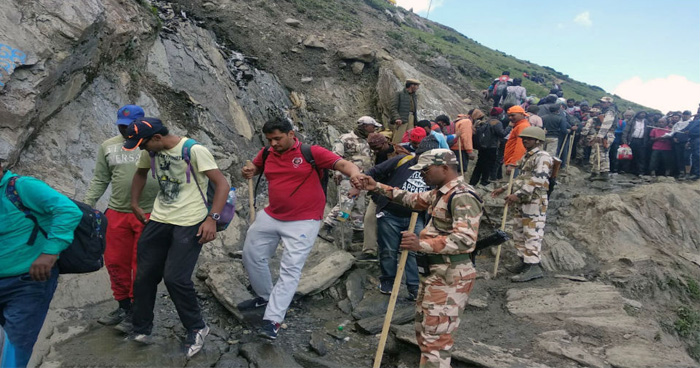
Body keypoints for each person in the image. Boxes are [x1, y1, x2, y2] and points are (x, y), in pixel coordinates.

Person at [353, 149, 482, 368]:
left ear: (445, 168)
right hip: (435, 274)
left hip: (450, 277)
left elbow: (465, 240)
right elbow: (413, 200)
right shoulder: (440, 192)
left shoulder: (462, 196)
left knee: (436, 342)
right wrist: (377, 187)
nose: (422, 175)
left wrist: (420, 244)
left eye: (425, 169)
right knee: (425, 333)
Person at [238, 118, 362, 340]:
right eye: (269, 139)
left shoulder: (310, 152)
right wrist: (250, 169)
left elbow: (342, 164)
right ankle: (265, 296)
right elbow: (257, 166)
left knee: (290, 269)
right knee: (251, 255)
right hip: (272, 214)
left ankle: (273, 319)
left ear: (291, 134)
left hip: (304, 220)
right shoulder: (267, 153)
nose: (273, 143)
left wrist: (354, 174)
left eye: (278, 138)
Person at [124, 117, 230, 357]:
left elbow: (222, 184)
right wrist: (134, 202)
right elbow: (140, 174)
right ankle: (141, 328)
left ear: (158, 138)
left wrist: (211, 219)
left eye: (143, 144)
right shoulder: (149, 150)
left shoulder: (194, 150)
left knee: (175, 278)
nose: (141, 149)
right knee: (144, 275)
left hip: (190, 221)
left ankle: (197, 327)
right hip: (160, 218)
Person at [0, 159, 82, 367]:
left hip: (27, 281)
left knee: (17, 342)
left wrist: (50, 252)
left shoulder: (21, 187)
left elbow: (68, 210)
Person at [84, 105, 160, 326]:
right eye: (121, 125)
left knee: (142, 265)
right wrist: (86, 206)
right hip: (117, 214)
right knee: (116, 262)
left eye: (129, 126)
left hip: (150, 213)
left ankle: (139, 310)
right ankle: (123, 306)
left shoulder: (152, 144)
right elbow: (100, 179)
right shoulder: (108, 147)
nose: (125, 130)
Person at [365, 138, 437, 300]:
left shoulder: (434, 171)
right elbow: (374, 171)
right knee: (388, 250)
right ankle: (388, 281)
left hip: (416, 217)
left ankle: (413, 286)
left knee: (413, 251)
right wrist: (361, 182)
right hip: (390, 214)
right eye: (421, 157)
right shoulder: (402, 161)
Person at [491, 127, 552, 282]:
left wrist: (516, 194)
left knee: (532, 232)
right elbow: (522, 178)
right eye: (524, 138)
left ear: (538, 141)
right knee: (519, 231)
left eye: (529, 139)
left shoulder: (543, 157)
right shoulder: (527, 156)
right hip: (523, 200)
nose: (525, 141)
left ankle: (533, 266)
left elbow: (538, 180)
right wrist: (505, 188)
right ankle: (524, 261)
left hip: (534, 201)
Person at [318, 116, 379, 243]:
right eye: (372, 127)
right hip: (347, 178)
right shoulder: (345, 138)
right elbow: (335, 158)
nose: (374, 130)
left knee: (360, 207)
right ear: (364, 126)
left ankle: (358, 233)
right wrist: (337, 173)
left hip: (363, 178)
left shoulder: (369, 141)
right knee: (346, 204)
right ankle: (327, 226)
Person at [470, 113, 505, 187]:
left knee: (479, 165)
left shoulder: (486, 121)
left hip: (482, 146)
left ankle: (473, 182)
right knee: (488, 165)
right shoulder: (497, 123)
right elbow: (502, 133)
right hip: (492, 147)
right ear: (499, 115)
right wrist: (509, 127)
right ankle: (484, 182)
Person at [581, 108, 615, 180]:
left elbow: (605, 127)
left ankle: (603, 173)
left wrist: (600, 136)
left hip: (604, 136)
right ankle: (595, 172)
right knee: (597, 154)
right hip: (601, 135)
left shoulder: (610, 113)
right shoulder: (597, 119)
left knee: (602, 154)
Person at [390, 79, 420, 144]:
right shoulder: (399, 94)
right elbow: (393, 108)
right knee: (398, 139)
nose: (417, 88)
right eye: (416, 85)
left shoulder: (414, 96)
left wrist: (415, 122)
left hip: (411, 118)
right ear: (412, 85)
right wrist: (397, 118)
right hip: (401, 120)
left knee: (409, 138)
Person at [503, 105, 532, 174]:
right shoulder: (519, 125)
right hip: (512, 161)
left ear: (521, 114)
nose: (510, 118)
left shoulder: (522, 126)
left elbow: (521, 146)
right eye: (509, 116)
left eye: (513, 115)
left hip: (515, 164)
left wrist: (513, 164)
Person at [621, 111, 650, 176]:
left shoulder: (646, 122)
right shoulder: (632, 121)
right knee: (628, 156)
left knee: (641, 157)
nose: (642, 115)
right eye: (641, 113)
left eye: (644, 114)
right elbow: (626, 131)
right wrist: (624, 140)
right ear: (637, 114)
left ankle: (640, 171)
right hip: (632, 140)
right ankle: (625, 170)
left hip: (641, 141)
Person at [671, 110, 692, 178]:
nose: (685, 116)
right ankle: (681, 172)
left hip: (687, 143)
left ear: (690, 116)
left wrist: (689, 141)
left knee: (687, 158)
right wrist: (674, 138)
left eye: (687, 114)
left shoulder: (691, 123)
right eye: (684, 114)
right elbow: (673, 132)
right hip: (678, 143)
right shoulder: (677, 124)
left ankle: (688, 173)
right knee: (679, 158)